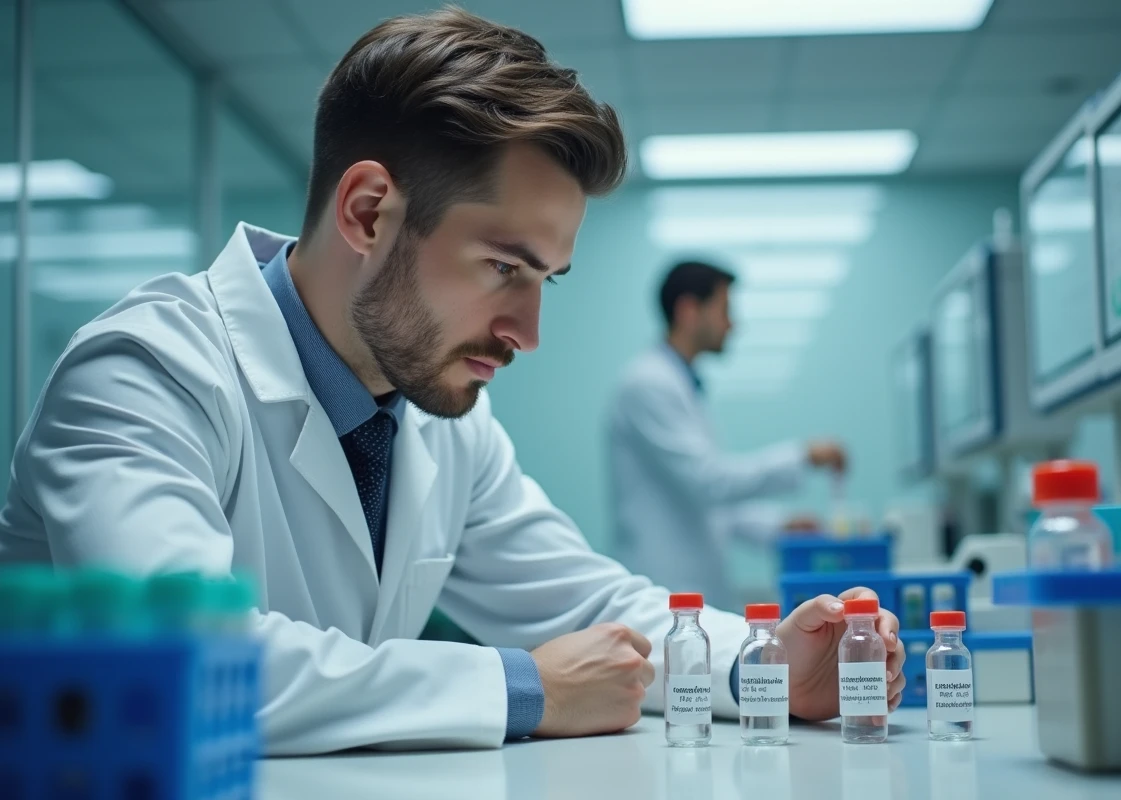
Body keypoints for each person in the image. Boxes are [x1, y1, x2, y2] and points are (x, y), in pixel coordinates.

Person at [0, 10, 903, 754]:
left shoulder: (442, 418)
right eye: (504, 267)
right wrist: (523, 687)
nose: (529, 333)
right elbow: (187, 666)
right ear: (367, 212)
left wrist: (766, 664)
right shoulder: (144, 374)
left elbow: (590, 601)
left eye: (546, 280)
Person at [608, 262, 847, 608]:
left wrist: (782, 526)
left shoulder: (681, 385)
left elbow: (710, 503)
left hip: (689, 590)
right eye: (724, 310)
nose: (733, 324)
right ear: (689, 310)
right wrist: (803, 455)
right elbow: (710, 483)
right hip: (662, 589)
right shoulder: (648, 384)